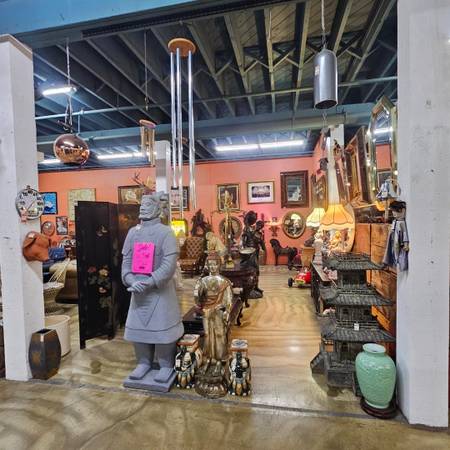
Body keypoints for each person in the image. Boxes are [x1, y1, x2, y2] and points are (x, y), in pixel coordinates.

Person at [121, 192, 184, 383]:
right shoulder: (133, 233)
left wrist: (150, 281)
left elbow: (169, 265)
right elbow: (126, 263)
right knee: (138, 329)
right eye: (141, 204)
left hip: (160, 291)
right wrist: (131, 280)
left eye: (147, 204)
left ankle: (166, 364)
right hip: (138, 292)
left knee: (162, 328)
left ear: (158, 209)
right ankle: (143, 362)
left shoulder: (166, 233)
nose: (142, 207)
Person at [193, 253, 233, 362]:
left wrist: (227, 310)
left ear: (219, 265)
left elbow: (228, 298)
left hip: (219, 311)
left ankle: (221, 357)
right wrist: (199, 305)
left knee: (220, 333)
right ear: (207, 265)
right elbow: (197, 296)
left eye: (215, 264)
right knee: (207, 334)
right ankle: (209, 357)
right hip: (206, 310)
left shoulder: (225, 282)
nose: (212, 267)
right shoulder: (203, 281)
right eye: (210, 264)